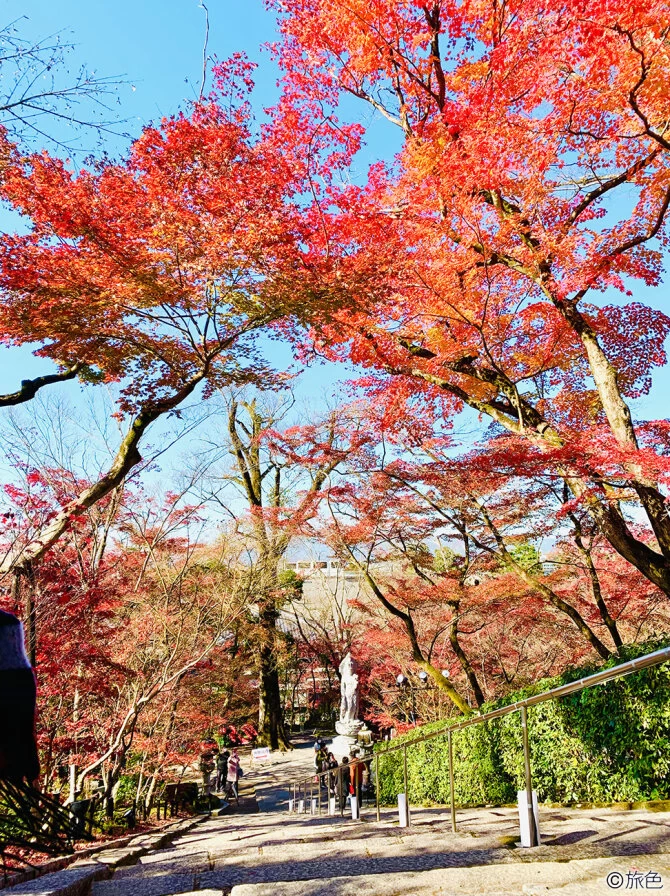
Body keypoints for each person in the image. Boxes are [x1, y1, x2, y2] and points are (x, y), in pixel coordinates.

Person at [0, 610, 40, 784]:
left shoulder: (8, 622)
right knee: (21, 728)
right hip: (22, 677)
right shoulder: (11, 622)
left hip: (11, 680)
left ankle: (18, 766)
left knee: (14, 727)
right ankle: (23, 766)